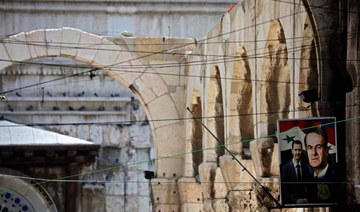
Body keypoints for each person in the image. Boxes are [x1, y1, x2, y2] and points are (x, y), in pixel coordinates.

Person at [304, 127, 337, 203]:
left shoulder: (336, 177)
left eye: (318, 147)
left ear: (326, 151)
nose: (314, 153)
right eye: (310, 147)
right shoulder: (306, 179)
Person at [281, 140, 311, 204]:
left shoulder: (306, 167)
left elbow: (310, 187)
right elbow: (284, 191)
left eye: (299, 150)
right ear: (292, 151)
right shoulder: (285, 168)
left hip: (305, 203)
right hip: (291, 205)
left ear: (302, 151)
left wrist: (307, 199)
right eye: (295, 150)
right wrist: (295, 201)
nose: (297, 152)